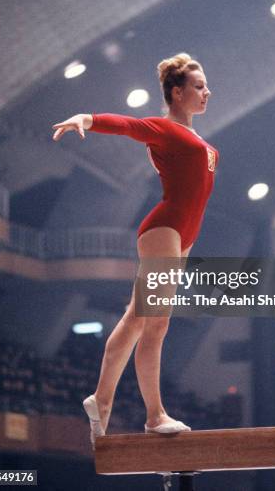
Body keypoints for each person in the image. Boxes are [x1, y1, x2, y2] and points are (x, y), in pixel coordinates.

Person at [52, 53, 218, 447]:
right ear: (176, 93)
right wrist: (87, 120)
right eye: (198, 86)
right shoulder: (164, 128)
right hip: (165, 226)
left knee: (146, 320)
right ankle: (150, 414)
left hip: (183, 234)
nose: (206, 92)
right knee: (147, 321)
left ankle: (103, 401)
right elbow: (128, 126)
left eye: (206, 85)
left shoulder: (199, 140)